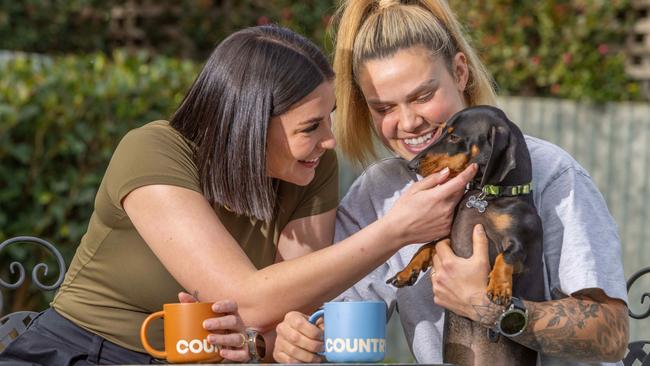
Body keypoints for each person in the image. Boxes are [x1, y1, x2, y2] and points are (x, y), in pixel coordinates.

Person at [0, 25, 477, 365]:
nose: (330, 139)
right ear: (249, 126)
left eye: (329, 117)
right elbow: (247, 301)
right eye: (310, 126)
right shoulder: (153, 151)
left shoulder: (312, 166)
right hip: (79, 350)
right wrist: (396, 230)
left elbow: (284, 315)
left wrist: (258, 348)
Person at [272, 0, 630, 365]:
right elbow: (343, 324)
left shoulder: (550, 173)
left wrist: (490, 308)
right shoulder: (379, 192)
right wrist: (305, 341)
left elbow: (613, 334)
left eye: (423, 96)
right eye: (384, 108)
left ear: (460, 72)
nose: (408, 122)